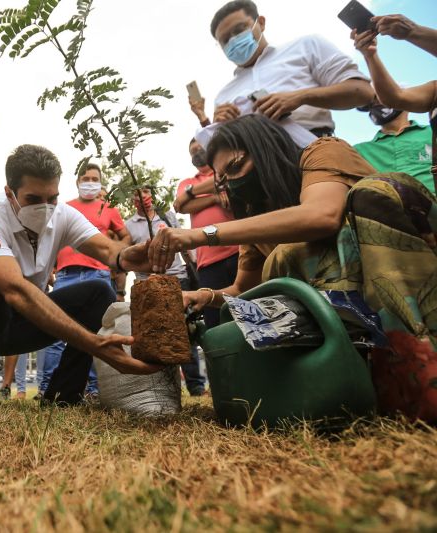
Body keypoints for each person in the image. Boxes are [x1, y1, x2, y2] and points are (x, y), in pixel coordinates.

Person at [149, 114, 437, 422]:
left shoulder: (322, 152)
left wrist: (200, 235)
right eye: (223, 179)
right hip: (341, 313)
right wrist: (204, 297)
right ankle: (352, 376)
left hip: (404, 280)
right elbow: (244, 289)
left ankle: (415, 364)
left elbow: (322, 215)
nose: (232, 183)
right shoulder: (255, 215)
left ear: (264, 146)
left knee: (371, 193)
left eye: (235, 168)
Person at [0, 144, 162, 407]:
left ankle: (62, 396)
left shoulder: (63, 215)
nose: (45, 208)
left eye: (52, 198)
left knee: (99, 291)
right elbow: (15, 291)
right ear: (9, 194)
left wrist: (129, 257)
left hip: (21, 323)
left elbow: (107, 248)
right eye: (33, 200)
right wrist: (94, 344)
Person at [209, 0, 373, 137]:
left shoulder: (306, 46)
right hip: (257, 169)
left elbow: (362, 92)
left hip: (312, 155)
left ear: (261, 22)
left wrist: (299, 97)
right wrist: (220, 128)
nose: (234, 40)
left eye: (239, 29)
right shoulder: (223, 97)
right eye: (225, 40)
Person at [39, 163, 131, 398]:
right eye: (85, 178)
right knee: (55, 330)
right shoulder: (64, 208)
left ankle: (91, 389)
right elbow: (49, 238)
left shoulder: (108, 208)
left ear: (100, 182)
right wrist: (49, 267)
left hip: (97, 275)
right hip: (66, 275)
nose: (90, 182)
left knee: (95, 335)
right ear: (77, 182)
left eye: (94, 178)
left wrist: (117, 257)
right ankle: (47, 387)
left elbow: (125, 237)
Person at [125, 189, 207, 396]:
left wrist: (195, 265)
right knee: (153, 335)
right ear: (132, 200)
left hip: (178, 279)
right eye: (137, 194)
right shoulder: (129, 225)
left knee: (184, 332)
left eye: (145, 191)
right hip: (148, 284)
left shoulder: (167, 215)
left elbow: (184, 241)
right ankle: (161, 387)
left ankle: (196, 386)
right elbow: (128, 255)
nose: (141, 197)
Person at [352, 14, 437, 192]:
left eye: (378, 97)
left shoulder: (429, 133)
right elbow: (394, 96)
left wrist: (414, 31)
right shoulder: (358, 152)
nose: (376, 105)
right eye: (370, 103)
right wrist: (370, 55)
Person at [174, 139, 239, 328]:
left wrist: (192, 193)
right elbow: (181, 205)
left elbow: (224, 179)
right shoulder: (187, 182)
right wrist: (214, 198)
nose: (196, 153)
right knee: (216, 321)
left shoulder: (225, 169)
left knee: (250, 306)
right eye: (192, 151)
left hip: (240, 252)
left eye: (199, 148)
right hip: (208, 261)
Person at [354, 101, 434, 193]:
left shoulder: (432, 132)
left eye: (383, 99)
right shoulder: (358, 151)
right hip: (384, 205)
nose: (378, 104)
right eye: (372, 104)